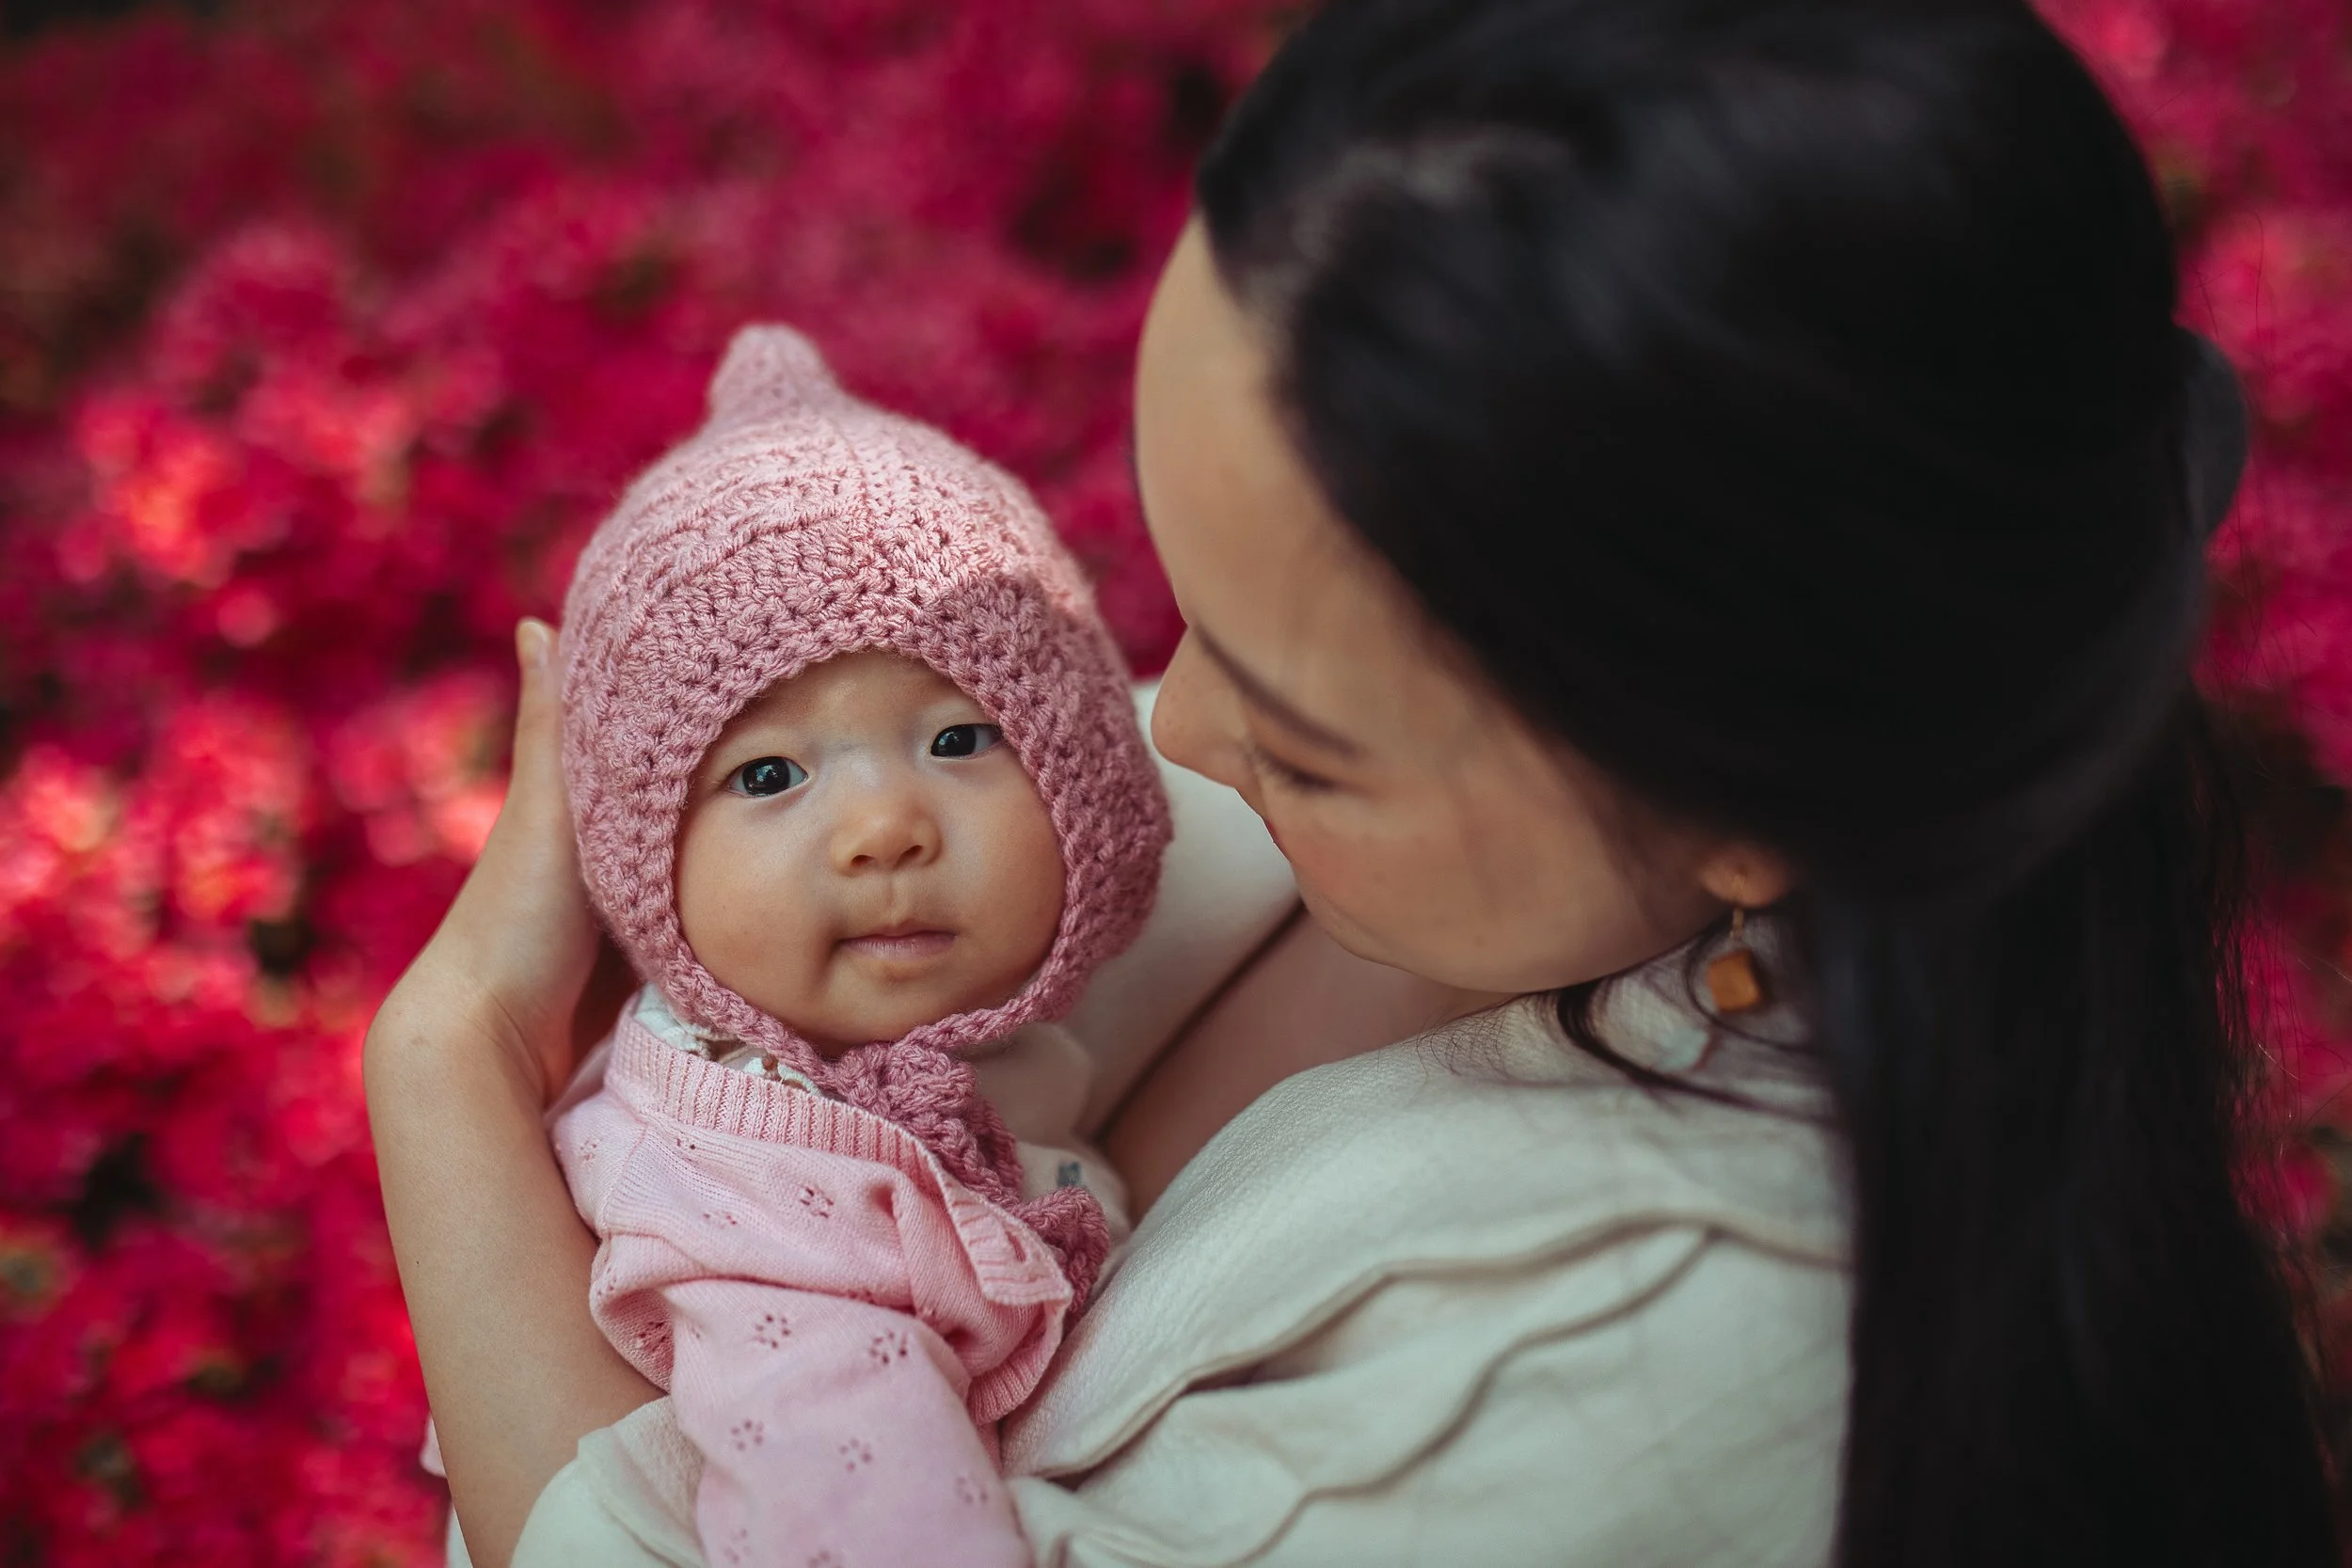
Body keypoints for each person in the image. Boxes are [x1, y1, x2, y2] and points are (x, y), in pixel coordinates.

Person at [364, 0, 2342, 1564]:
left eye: (1307, 730)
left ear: (1754, 806)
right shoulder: (1486, 816)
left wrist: (449, 1062)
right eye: (1174, 602)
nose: (1169, 725)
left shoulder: (1668, 1366)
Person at [414, 323, 1174, 1567]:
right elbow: (866, 1493)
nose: (885, 828)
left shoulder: (961, 1053)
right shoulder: (765, 1197)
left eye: (958, 739)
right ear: (639, 859)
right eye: (769, 772)